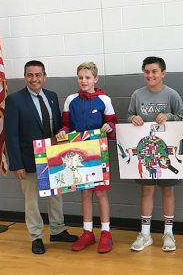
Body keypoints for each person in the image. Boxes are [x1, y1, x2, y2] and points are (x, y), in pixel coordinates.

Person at [4, 60, 77, 255]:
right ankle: (36, 237)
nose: (34, 79)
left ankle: (57, 230)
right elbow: (10, 135)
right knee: (32, 200)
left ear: (44, 76)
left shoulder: (52, 97)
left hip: (52, 157)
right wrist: (16, 164)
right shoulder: (15, 100)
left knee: (56, 196)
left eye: (38, 75)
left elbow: (58, 126)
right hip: (28, 160)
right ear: (25, 77)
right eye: (30, 75)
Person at [56, 62, 117, 253]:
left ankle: (106, 233)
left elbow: (112, 126)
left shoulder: (104, 100)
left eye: (88, 77)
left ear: (95, 79)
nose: (84, 81)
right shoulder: (71, 100)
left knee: (100, 192)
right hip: (78, 153)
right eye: (81, 77)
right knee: (85, 193)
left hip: (99, 151)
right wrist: (62, 132)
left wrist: (110, 128)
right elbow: (66, 125)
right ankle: (88, 233)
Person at [127, 56, 183, 252]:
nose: (150, 75)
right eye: (147, 71)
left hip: (164, 152)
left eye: (154, 71)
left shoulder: (172, 95)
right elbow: (129, 115)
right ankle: (145, 234)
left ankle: (168, 233)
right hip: (145, 153)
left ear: (163, 73)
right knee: (146, 190)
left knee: (167, 191)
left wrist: (169, 117)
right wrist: (133, 118)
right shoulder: (137, 95)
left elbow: (182, 119)